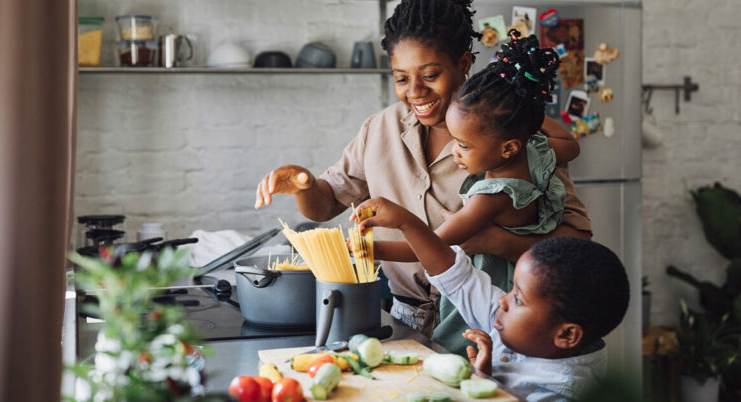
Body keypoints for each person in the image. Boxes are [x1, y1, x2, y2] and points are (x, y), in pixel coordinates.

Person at [254, 0, 592, 337]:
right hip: (403, 318)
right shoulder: (379, 129)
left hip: (490, 320)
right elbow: (325, 205)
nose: (415, 92)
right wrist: (303, 184)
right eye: (401, 78)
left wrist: (498, 242)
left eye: (430, 75)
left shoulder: (511, 135)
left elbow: (577, 244)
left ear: (463, 63)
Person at [371, 30, 578, 354]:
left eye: (464, 145)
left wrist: (368, 249)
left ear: (508, 146)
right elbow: (573, 145)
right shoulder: (534, 150)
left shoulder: (491, 197)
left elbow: (431, 248)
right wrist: (527, 113)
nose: (456, 152)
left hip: (488, 308)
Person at [351, 199, 630, 401]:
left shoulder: (560, 392)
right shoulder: (516, 323)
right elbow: (456, 276)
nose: (504, 301)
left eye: (518, 299)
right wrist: (406, 223)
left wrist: (485, 384)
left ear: (567, 334)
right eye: (512, 291)